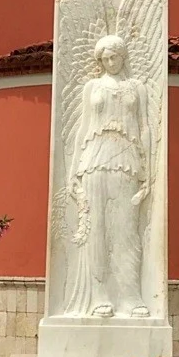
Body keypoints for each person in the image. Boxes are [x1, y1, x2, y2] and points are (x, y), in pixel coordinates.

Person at [66, 34, 151, 318]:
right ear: (100, 60)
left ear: (123, 56)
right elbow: (83, 127)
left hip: (127, 159)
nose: (111, 62)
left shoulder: (136, 87)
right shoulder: (92, 86)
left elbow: (145, 128)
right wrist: (72, 170)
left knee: (127, 230)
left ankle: (130, 296)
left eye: (115, 57)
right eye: (105, 58)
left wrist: (148, 171)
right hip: (94, 160)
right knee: (97, 228)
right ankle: (100, 296)